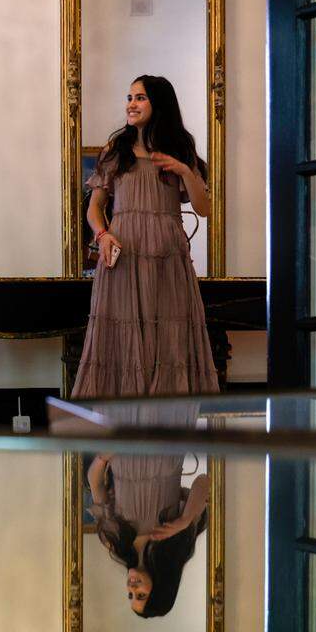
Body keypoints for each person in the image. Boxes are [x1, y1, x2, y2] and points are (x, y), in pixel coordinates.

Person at [72, 75, 219, 399]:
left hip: (167, 254)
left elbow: (204, 208)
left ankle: (164, 423)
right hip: (125, 253)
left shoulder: (180, 150)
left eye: (140, 97)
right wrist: (103, 234)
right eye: (129, 97)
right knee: (122, 332)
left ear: (159, 103)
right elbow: (94, 209)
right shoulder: (116, 150)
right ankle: (120, 424)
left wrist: (183, 170)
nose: (131, 104)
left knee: (169, 334)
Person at [88, 450, 209, 618]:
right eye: (141, 595)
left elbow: (95, 484)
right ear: (161, 589)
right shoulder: (178, 538)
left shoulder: (112, 541)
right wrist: (186, 519)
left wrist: (102, 458)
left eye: (130, 595)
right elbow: (205, 481)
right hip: (165, 436)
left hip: (122, 440)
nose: (132, 589)